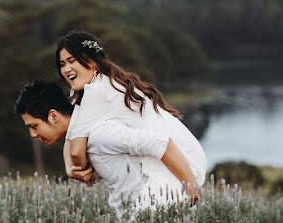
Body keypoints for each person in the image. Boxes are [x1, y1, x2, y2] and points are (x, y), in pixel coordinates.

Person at [55, 31, 207, 202]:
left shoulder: (97, 91)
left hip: (178, 161)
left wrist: (80, 168)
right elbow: (71, 140)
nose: (66, 69)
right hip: (174, 156)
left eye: (72, 61)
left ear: (91, 62)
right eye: (62, 64)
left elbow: (76, 153)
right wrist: (71, 169)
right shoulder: (96, 86)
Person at [14, 80, 197, 215]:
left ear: (53, 116)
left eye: (34, 126)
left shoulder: (99, 134)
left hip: (152, 214)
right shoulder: (81, 137)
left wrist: (191, 187)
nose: (33, 135)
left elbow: (161, 144)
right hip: (136, 218)